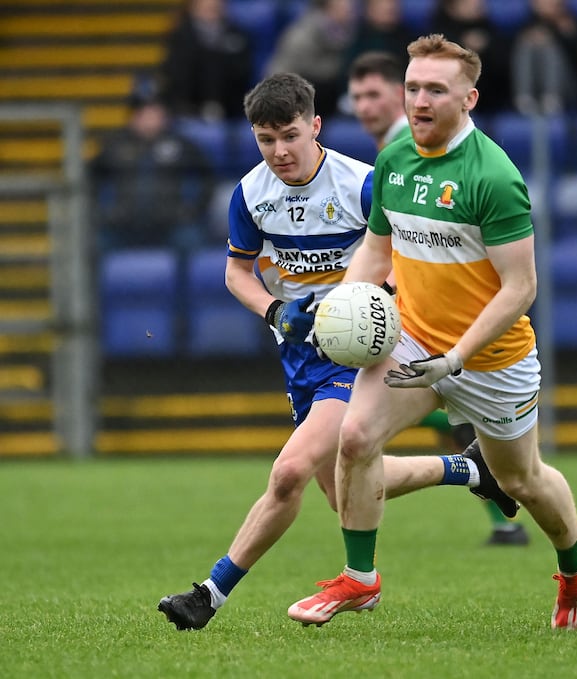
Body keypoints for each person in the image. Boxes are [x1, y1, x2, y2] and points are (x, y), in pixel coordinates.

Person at [157, 72, 518, 631]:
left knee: (288, 472)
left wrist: (371, 300)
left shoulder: (363, 183)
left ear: (316, 126)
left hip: (358, 353)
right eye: (265, 139)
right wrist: (276, 312)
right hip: (298, 356)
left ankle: (209, 594)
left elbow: (410, 254)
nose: (279, 151)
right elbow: (236, 272)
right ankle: (469, 470)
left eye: (290, 135)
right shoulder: (251, 194)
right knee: (344, 491)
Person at [288, 34, 577, 630]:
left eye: (436, 89)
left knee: (522, 479)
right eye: (412, 87)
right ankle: (359, 580)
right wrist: (342, 304)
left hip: (491, 362)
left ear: (469, 98)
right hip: (412, 340)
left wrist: (457, 357)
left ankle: (575, 560)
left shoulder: (494, 176)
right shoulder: (395, 159)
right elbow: (376, 252)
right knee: (353, 439)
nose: (419, 100)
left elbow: (521, 288)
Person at [347, 50, 531, 546]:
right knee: (351, 449)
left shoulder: (422, 145)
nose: (364, 106)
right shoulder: (395, 152)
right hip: (415, 318)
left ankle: (496, 503)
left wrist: (370, 295)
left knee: (514, 471)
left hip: (461, 328)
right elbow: (381, 241)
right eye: (357, 96)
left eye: (374, 94)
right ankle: (485, 495)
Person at [90, 75, 214, 253]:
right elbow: (89, 178)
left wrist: (192, 211)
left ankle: (185, 282)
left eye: (154, 112)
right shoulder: (115, 145)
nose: (149, 119)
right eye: (143, 113)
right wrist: (103, 213)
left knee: (190, 240)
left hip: (171, 225)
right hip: (122, 226)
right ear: (132, 117)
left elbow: (207, 176)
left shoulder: (180, 144)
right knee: (95, 244)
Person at [159, 0, 253, 121]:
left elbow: (243, 72)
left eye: (215, 8)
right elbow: (175, 74)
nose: (211, 12)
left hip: (231, 107)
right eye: (206, 8)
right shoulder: (180, 36)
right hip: (188, 107)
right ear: (193, 9)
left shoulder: (237, 35)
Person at [265, 0, 357, 118]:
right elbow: (303, 71)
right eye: (344, 6)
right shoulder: (303, 35)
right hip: (291, 94)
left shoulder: (346, 31)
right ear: (328, 9)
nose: (350, 10)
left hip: (319, 94)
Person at [510, 0, 577, 114]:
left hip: (569, 87)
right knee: (525, 45)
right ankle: (524, 97)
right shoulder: (526, 28)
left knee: (550, 48)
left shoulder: (572, 25)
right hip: (536, 86)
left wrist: (568, 36)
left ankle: (552, 98)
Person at [428, 0, 512, 113]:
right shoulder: (438, 33)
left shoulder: (489, 29)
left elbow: (504, 64)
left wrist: (486, 47)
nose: (477, 4)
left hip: (492, 101)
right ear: (452, 7)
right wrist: (462, 46)